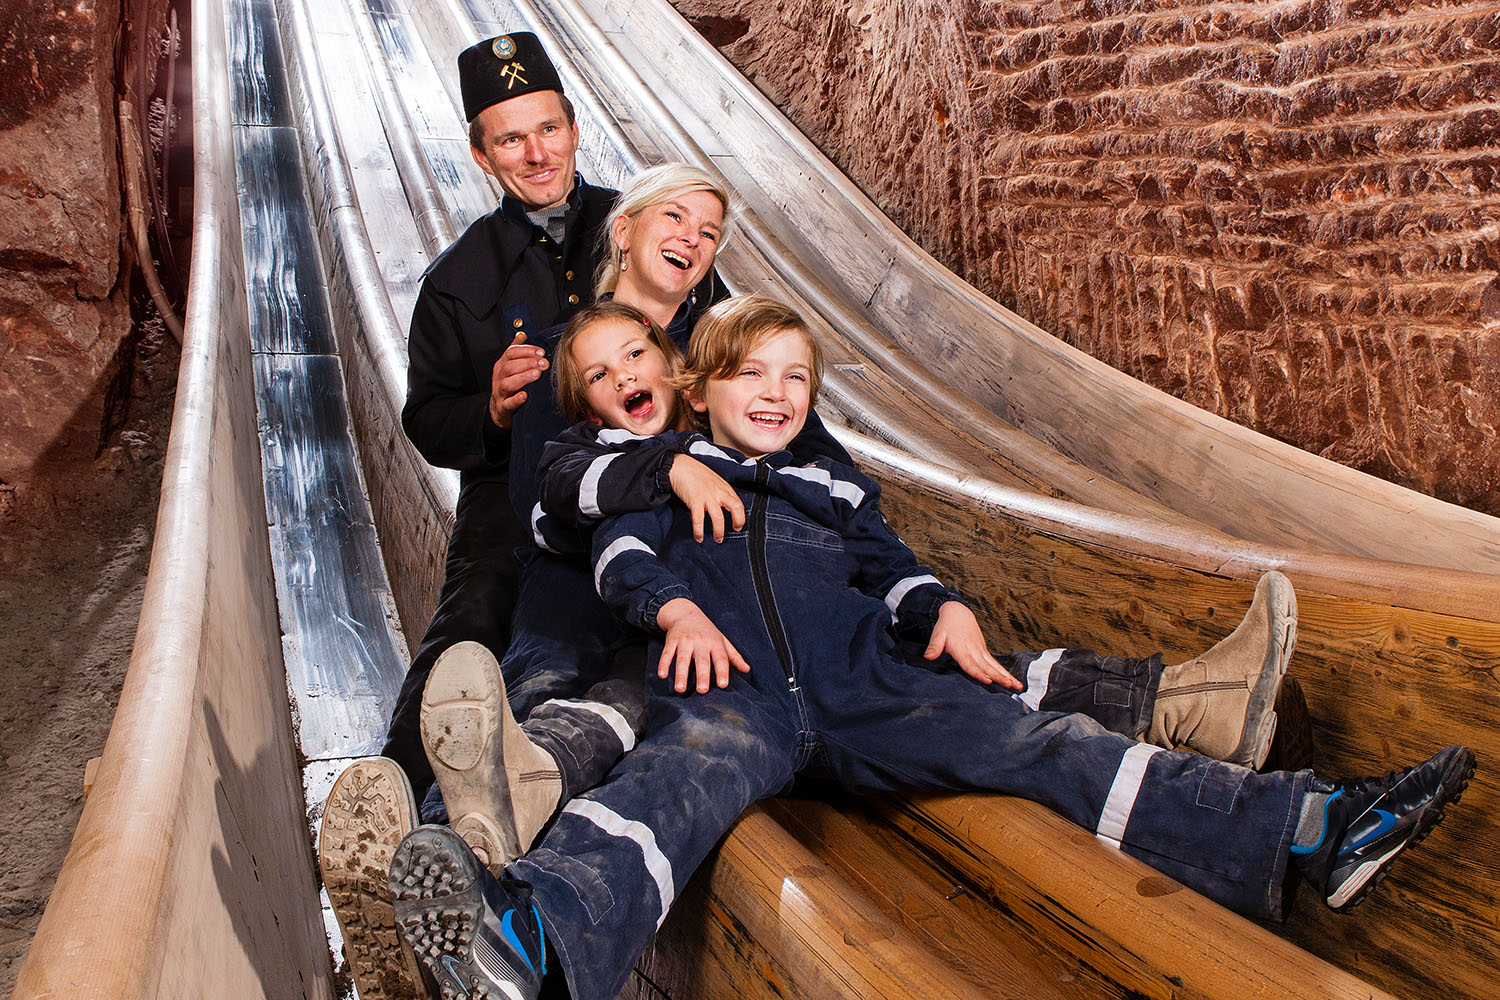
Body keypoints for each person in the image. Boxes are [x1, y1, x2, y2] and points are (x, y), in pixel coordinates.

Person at [387, 295, 1476, 1000]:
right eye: (751, 378)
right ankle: (538, 941)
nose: (774, 396)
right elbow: (612, 549)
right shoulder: (663, 473)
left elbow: (887, 560)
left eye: (795, 382)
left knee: (1039, 742)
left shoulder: (825, 482)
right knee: (678, 780)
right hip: (738, 689)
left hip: (871, 681)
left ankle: (1306, 832)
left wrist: (942, 606)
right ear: (695, 392)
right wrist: (675, 609)